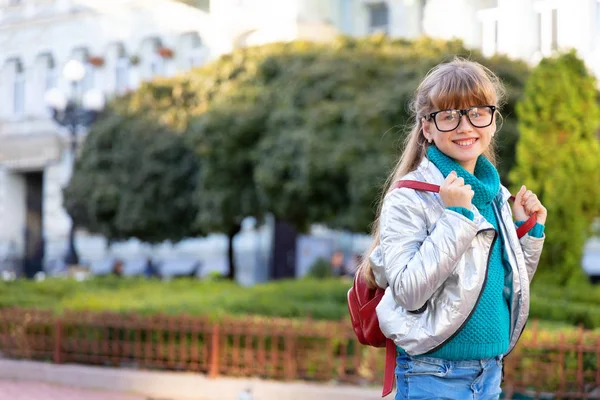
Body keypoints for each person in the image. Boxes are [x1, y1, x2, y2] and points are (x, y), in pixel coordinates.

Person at [357, 58, 546, 399]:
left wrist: (526, 233)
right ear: (427, 128)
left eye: (477, 112)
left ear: (493, 121)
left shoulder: (497, 194)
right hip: (433, 374)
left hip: (489, 372)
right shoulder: (410, 197)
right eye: (448, 116)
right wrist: (457, 217)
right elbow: (409, 292)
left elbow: (503, 287)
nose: (465, 126)